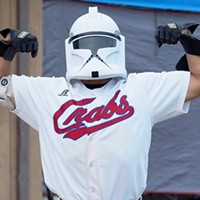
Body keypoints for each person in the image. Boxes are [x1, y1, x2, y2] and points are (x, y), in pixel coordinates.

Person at [0, 6, 200, 200]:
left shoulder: (140, 88)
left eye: (101, 44)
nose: (94, 53)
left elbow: (197, 81)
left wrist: (188, 41)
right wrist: (5, 45)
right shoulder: (47, 93)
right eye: (86, 44)